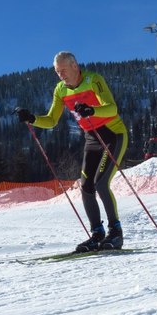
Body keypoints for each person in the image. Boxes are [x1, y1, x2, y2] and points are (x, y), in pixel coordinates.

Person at [15, 51, 128, 252]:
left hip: (112, 135)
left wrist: (92, 110)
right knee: (86, 187)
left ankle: (116, 233)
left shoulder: (93, 80)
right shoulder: (60, 90)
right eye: (57, 72)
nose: (60, 75)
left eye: (63, 70)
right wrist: (32, 118)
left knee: (101, 184)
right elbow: (51, 120)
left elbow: (112, 109)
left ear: (74, 66)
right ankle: (97, 234)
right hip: (92, 138)